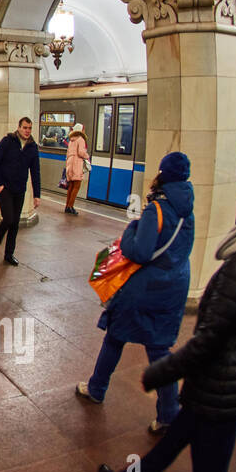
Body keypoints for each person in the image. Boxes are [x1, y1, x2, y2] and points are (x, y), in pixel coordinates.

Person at [98, 159, 236, 472]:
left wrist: (161, 372)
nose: (235, 203)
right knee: (170, 443)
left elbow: (209, 341)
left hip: (221, 388)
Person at [77, 152, 196, 433]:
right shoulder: (187, 210)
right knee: (159, 348)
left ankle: (96, 388)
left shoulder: (158, 208)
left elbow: (140, 251)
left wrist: (132, 228)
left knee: (116, 336)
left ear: (163, 173)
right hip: (175, 287)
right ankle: (168, 413)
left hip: (145, 288)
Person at [0, 116, 41, 266]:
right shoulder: (7, 142)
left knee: (15, 223)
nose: (27, 131)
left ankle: (9, 254)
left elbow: (35, 171)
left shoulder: (32, 147)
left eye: (29, 128)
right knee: (8, 218)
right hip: (5, 188)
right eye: (25, 128)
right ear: (19, 127)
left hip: (19, 189)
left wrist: (37, 194)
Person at [64, 123, 90, 215]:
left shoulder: (71, 140)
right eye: (83, 129)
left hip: (70, 163)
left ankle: (67, 206)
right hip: (76, 163)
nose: (84, 131)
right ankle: (70, 206)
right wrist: (87, 156)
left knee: (71, 186)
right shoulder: (81, 139)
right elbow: (81, 152)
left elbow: (67, 153)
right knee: (77, 186)